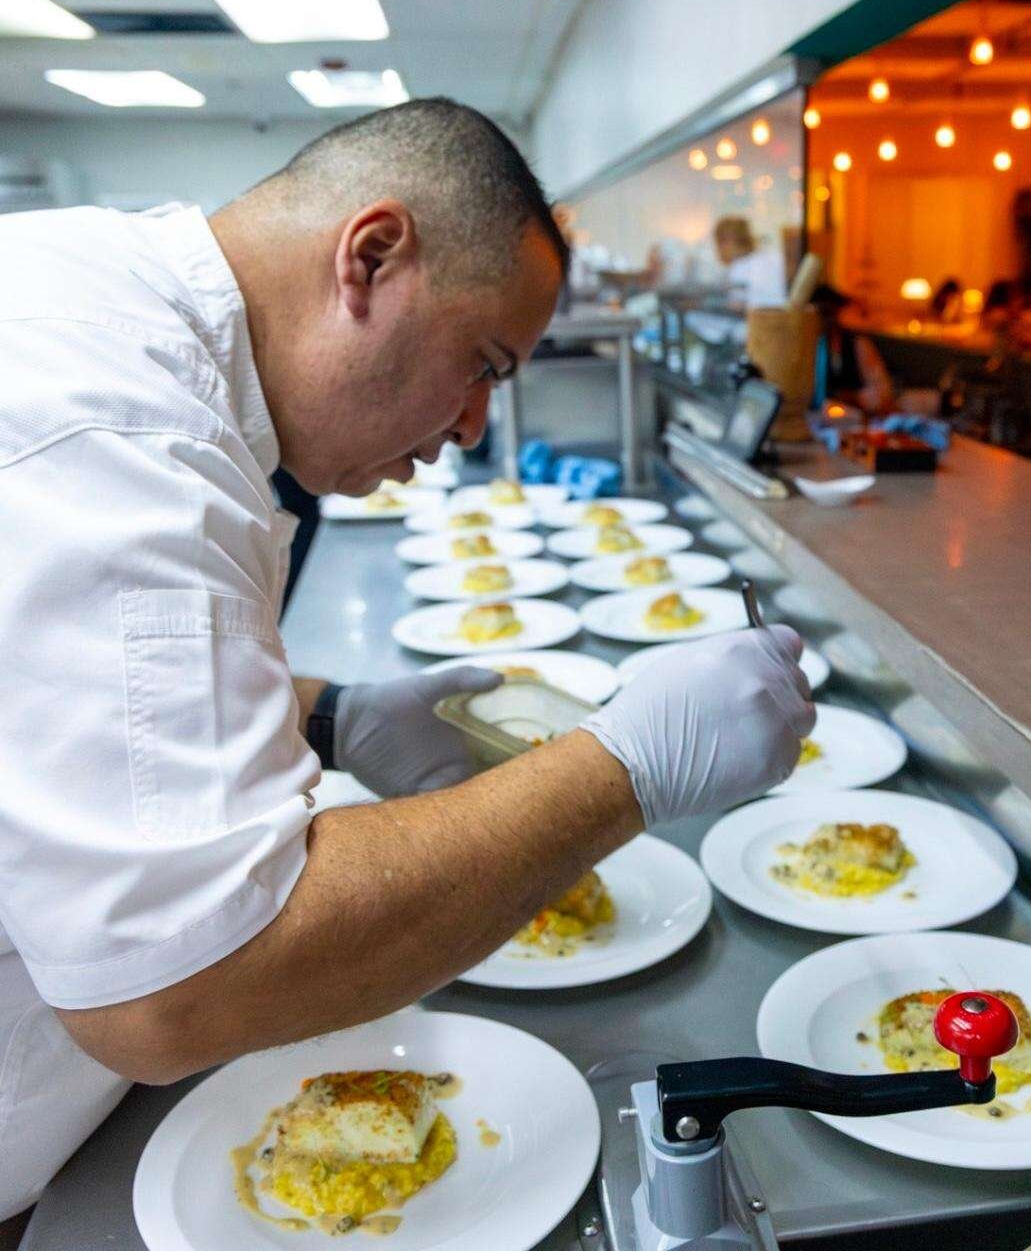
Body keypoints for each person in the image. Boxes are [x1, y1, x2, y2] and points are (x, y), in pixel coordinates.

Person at [0, 97, 814, 1218]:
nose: (474, 426)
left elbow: (56, 713)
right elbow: (174, 989)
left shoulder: (96, 303)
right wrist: (627, 766)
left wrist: (330, 715)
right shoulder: (129, 440)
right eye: (481, 364)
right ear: (372, 257)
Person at [713, 215, 787, 309]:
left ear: (728, 241)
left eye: (718, 243)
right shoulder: (774, 256)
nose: (717, 250)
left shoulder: (738, 268)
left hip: (761, 315)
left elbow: (736, 306)